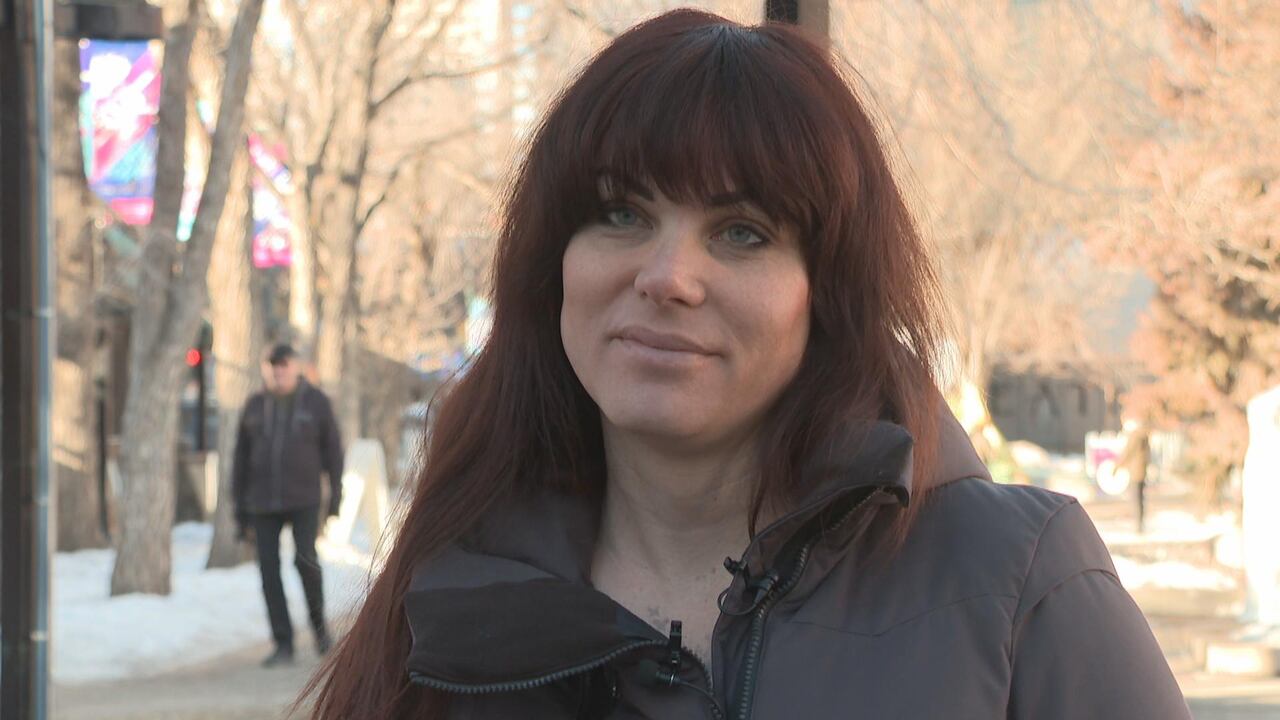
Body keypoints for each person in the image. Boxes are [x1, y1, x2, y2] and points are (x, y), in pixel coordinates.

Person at [304, 10, 1190, 719]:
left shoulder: (1014, 585)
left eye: (742, 233)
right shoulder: (455, 599)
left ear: (828, 293)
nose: (666, 278)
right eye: (621, 214)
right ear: (552, 264)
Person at [233, 343, 344, 667]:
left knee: (306, 561)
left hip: (304, 498)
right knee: (268, 570)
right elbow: (240, 458)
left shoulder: (316, 403)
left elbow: (333, 453)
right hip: (262, 501)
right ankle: (283, 642)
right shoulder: (254, 405)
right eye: (273, 365)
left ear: (296, 367)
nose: (279, 371)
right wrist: (239, 507)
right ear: (267, 368)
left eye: (284, 365)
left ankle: (321, 632)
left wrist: (335, 496)